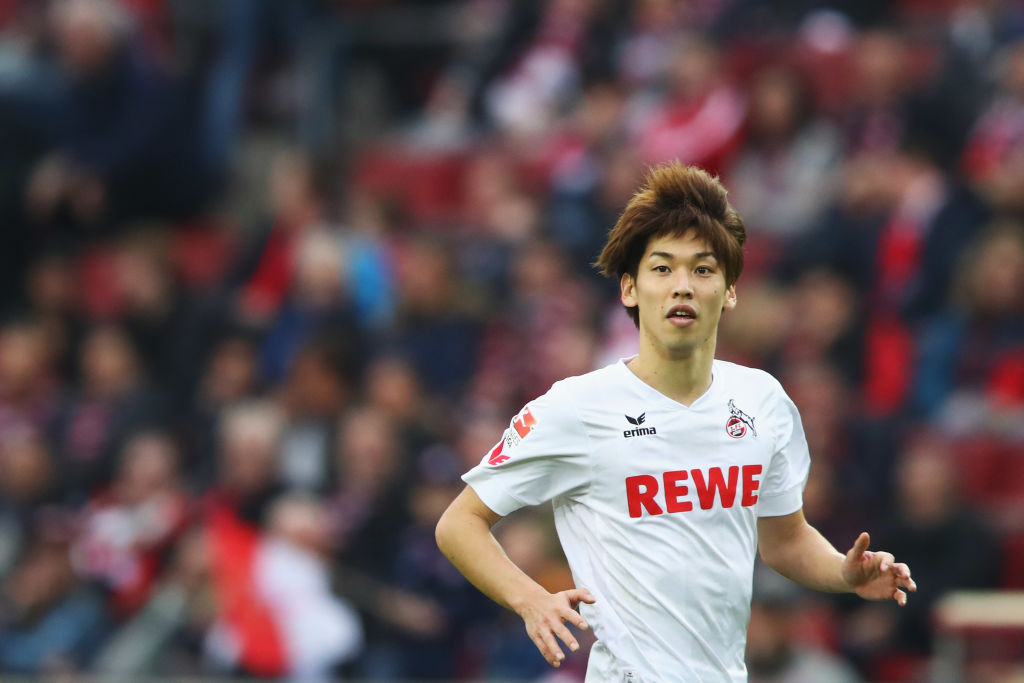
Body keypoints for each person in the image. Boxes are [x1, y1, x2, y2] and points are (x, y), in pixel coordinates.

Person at [435, 162, 916, 682]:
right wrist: (529, 598)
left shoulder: (763, 401)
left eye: (703, 270)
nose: (682, 286)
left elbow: (785, 540)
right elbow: (459, 524)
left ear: (730, 291)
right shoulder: (576, 407)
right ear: (629, 289)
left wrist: (843, 573)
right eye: (662, 269)